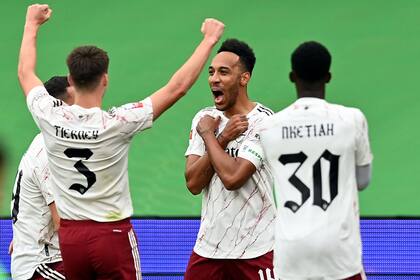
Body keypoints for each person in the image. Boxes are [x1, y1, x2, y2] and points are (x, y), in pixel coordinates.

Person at [18, 4, 224, 279]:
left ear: (70, 79)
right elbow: (177, 87)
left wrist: (31, 24)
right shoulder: (118, 123)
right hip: (111, 235)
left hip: (70, 238)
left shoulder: (49, 116)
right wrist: (208, 40)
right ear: (105, 80)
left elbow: (25, 72)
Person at [255, 41, 373, 279]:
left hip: (291, 252)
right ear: (328, 77)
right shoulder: (352, 119)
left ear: (292, 76)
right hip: (340, 252)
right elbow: (363, 180)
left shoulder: (268, 127)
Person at [184, 38, 276, 280]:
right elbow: (193, 183)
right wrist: (221, 138)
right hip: (208, 250)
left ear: (244, 78)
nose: (214, 79)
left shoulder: (264, 122)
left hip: (256, 248)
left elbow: (233, 178)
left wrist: (211, 137)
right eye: (211, 72)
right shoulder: (204, 119)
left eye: (223, 72)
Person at [10, 76, 73, 280]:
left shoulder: (51, 143)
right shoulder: (48, 153)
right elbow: (63, 224)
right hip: (42, 266)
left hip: (46, 259)